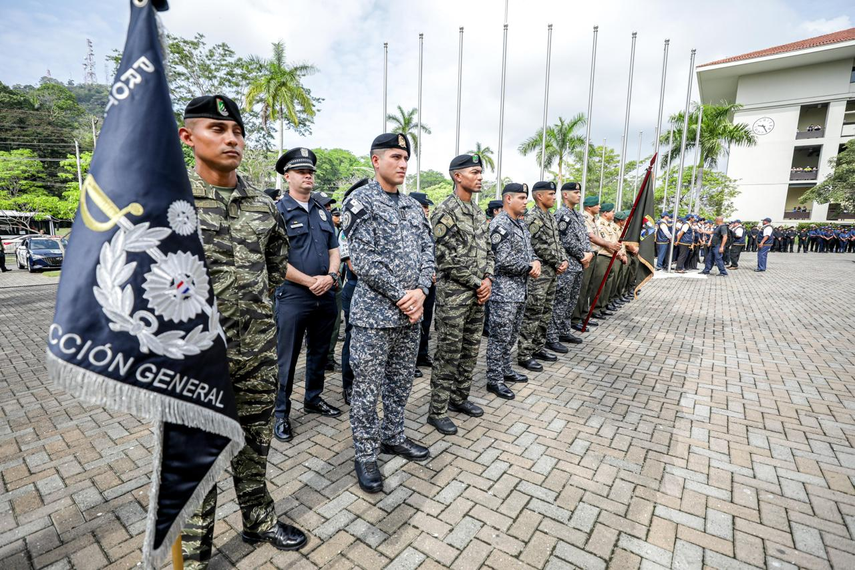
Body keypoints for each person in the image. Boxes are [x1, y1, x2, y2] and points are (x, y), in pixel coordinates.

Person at [178, 95, 306, 567]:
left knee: (256, 445)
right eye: (217, 128)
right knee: (197, 461)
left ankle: (258, 519)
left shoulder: (262, 205)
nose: (231, 139)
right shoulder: (166, 203)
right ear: (188, 137)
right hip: (194, 360)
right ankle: (192, 554)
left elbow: (275, 267)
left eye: (237, 131)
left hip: (257, 351)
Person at [342, 133, 434, 494]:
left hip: (409, 317)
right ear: (376, 160)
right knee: (367, 390)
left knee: (400, 383)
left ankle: (393, 436)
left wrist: (422, 291)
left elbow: (428, 251)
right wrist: (404, 296)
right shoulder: (359, 202)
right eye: (395, 156)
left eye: (406, 158)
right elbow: (362, 259)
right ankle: (365, 454)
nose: (403, 163)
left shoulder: (412, 206)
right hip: (374, 318)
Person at [271, 147, 342, 444]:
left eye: (310, 171)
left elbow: (334, 250)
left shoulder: (322, 211)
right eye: (302, 172)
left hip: (325, 293)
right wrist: (309, 281)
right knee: (287, 356)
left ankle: (313, 398)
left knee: (319, 352)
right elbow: (273, 256)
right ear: (288, 176)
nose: (308, 176)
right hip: (293, 296)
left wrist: (331, 276)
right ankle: (281, 412)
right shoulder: (277, 211)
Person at [427, 153, 494, 435]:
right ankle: (438, 409)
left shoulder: (479, 213)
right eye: (475, 172)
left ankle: (459, 398)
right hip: (454, 296)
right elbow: (446, 259)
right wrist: (479, 283)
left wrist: (488, 277)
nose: (480, 177)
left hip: (478, 294)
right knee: (448, 352)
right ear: (458, 176)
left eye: (481, 173)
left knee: (470, 349)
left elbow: (489, 251)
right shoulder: (445, 211)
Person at [486, 182, 537, 400]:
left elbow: (530, 250)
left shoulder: (521, 224)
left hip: (519, 290)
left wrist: (535, 260)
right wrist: (529, 267)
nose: (526, 202)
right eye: (522, 198)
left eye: (526, 198)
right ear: (509, 199)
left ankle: (505, 369)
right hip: (503, 293)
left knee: (512, 335)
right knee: (499, 337)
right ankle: (494, 379)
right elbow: (502, 260)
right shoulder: (500, 225)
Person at [517, 181, 568, 370]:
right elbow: (538, 245)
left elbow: (557, 242)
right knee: (533, 313)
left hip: (553, 272)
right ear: (539, 196)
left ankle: (538, 347)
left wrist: (563, 259)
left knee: (546, 312)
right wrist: (557, 261)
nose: (554, 197)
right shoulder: (533, 217)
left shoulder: (551, 217)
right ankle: (524, 353)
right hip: (539, 275)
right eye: (551, 194)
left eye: (554, 194)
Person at [546, 182, 593, 348]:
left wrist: (589, 254)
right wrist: (583, 256)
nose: (579, 195)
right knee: (560, 301)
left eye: (579, 192)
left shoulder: (578, 215)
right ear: (565, 195)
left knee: (571, 300)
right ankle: (551, 337)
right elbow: (566, 241)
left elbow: (585, 237)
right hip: (568, 265)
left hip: (578, 265)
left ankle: (563, 331)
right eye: (575, 192)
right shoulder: (562, 214)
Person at [338, 179, 370, 406]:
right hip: (356, 287)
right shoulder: (347, 230)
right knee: (352, 338)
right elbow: (352, 265)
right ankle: (348, 384)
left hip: (375, 292)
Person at [573, 196, 617, 326]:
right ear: (588, 207)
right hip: (588, 256)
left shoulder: (593, 220)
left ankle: (584, 315)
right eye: (597, 205)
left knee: (589, 287)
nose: (599, 207)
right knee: (583, 288)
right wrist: (609, 245)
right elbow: (591, 237)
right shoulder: (584, 218)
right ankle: (576, 318)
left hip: (594, 255)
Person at [409, 192, 436, 379]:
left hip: (430, 282)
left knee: (426, 321)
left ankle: (422, 354)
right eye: (423, 207)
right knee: (414, 323)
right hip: (415, 285)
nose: (426, 210)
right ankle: (410, 362)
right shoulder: (409, 228)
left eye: (427, 207)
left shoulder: (428, 227)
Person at [594, 203, 626, 315]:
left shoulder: (609, 225)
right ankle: (596, 308)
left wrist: (620, 254)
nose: (613, 213)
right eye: (612, 211)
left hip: (612, 256)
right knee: (600, 285)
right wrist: (618, 254)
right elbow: (606, 243)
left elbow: (617, 243)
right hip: (604, 256)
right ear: (605, 213)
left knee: (608, 284)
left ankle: (603, 306)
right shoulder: (600, 224)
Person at [326, 207, 344, 372]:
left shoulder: (337, 229)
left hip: (334, 279)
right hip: (321, 281)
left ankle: (328, 358)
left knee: (334, 324)